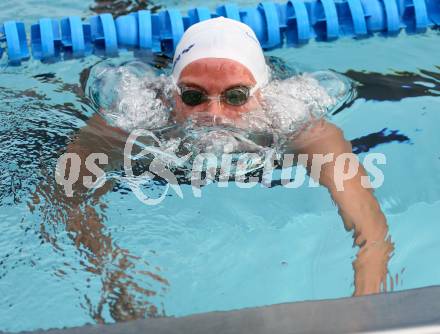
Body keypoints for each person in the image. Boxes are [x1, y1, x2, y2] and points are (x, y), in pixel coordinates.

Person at [35, 17, 394, 320]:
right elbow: (63, 197)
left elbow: (370, 228)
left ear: (262, 95)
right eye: (192, 95)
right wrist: (114, 273)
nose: (214, 115)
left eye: (236, 96)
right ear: (169, 93)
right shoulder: (133, 116)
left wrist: (363, 309)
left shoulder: (296, 124)